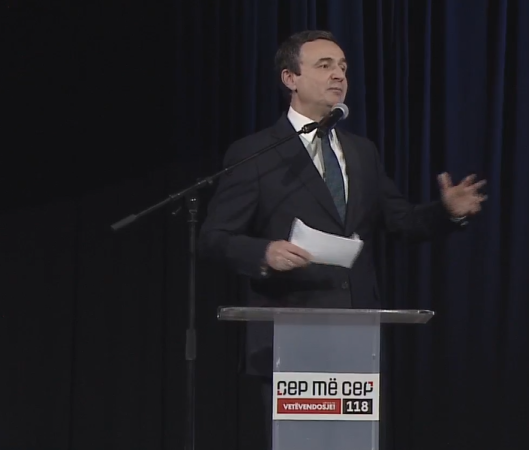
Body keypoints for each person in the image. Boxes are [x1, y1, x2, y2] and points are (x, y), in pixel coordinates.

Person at [198, 29, 486, 447]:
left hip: (356, 339)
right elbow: (214, 237)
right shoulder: (256, 153)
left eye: (343, 67)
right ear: (290, 78)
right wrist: (264, 251)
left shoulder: (362, 152)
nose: (339, 75)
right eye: (324, 65)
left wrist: (446, 211)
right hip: (289, 337)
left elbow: (401, 221)